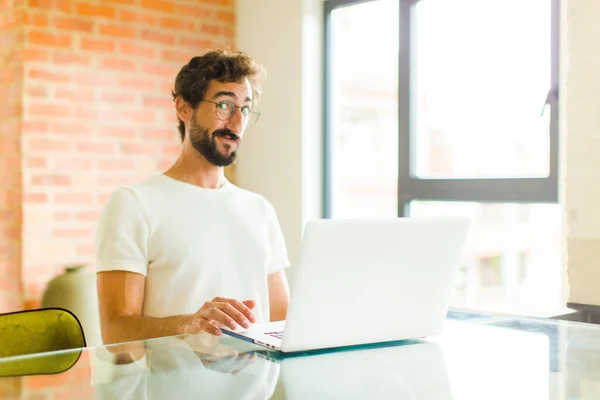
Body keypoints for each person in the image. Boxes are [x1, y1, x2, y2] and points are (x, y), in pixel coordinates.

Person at [95, 49, 291, 345]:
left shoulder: (260, 210)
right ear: (184, 108)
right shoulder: (133, 204)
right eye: (225, 105)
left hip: (254, 391)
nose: (237, 124)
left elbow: (282, 321)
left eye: (246, 110)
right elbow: (116, 334)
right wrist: (190, 323)